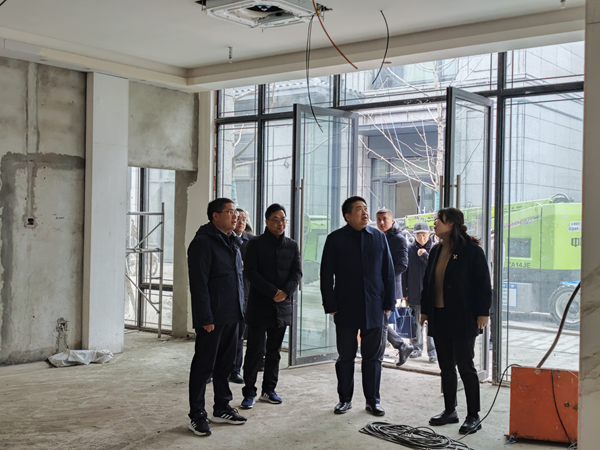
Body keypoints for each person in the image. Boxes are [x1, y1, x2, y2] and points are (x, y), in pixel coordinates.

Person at [320, 196, 395, 417]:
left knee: (373, 358)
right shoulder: (335, 239)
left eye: (365, 208)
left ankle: (373, 401)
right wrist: (330, 304)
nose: (365, 213)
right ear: (347, 216)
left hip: (375, 307)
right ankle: (344, 399)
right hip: (346, 306)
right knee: (346, 357)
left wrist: (389, 303)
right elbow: (326, 274)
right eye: (359, 209)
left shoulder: (378, 237)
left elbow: (388, 273)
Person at [420, 207, 492, 435]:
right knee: (446, 367)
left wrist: (483, 312)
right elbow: (428, 283)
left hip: (463, 317)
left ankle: (473, 415)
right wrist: (425, 311)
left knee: (465, 367)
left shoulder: (471, 250)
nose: (434, 224)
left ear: (451, 223)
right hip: (439, 316)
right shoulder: (435, 250)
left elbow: (483, 283)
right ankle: (450, 410)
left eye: (438, 220)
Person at [187, 198, 248, 437]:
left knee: (226, 365)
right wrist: (205, 317)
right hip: (212, 318)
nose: (235, 216)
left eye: (236, 212)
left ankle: (222, 407)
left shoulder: (233, 241)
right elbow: (199, 284)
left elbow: (237, 280)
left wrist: (241, 311)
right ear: (215, 216)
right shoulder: (203, 243)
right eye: (230, 212)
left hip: (232, 315)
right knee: (204, 367)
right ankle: (197, 415)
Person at [240, 204, 302, 409]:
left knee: (274, 352)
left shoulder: (292, 245)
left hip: (282, 306)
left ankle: (269, 390)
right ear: (266, 221)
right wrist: (272, 291)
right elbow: (251, 271)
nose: (280, 224)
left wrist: (285, 292)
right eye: (276, 220)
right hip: (260, 305)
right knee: (255, 351)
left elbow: (297, 273)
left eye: (283, 220)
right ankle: (249, 392)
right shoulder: (255, 243)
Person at [375, 207, 413, 367]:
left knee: (382, 324)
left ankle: (377, 360)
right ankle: (402, 346)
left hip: (389, 288)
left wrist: (384, 277)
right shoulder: (378, 236)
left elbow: (402, 265)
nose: (382, 222)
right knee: (380, 322)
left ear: (392, 220)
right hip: (377, 286)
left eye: (385, 219)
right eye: (379, 219)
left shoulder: (399, 239)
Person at [401, 221, 437, 362]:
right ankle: (416, 348)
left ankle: (433, 351)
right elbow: (404, 272)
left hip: (431, 294)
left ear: (429, 234)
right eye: (418, 235)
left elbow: (436, 268)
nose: (421, 238)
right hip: (414, 292)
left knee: (432, 324)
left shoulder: (435, 249)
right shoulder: (409, 249)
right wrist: (404, 292)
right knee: (415, 324)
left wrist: (424, 256)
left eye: (424, 235)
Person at [229, 209, 253, 384]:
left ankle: (235, 370)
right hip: (226, 295)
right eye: (238, 219)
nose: (241, 222)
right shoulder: (225, 240)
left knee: (239, 336)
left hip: (245, 294)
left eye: (244, 219)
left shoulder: (251, 242)